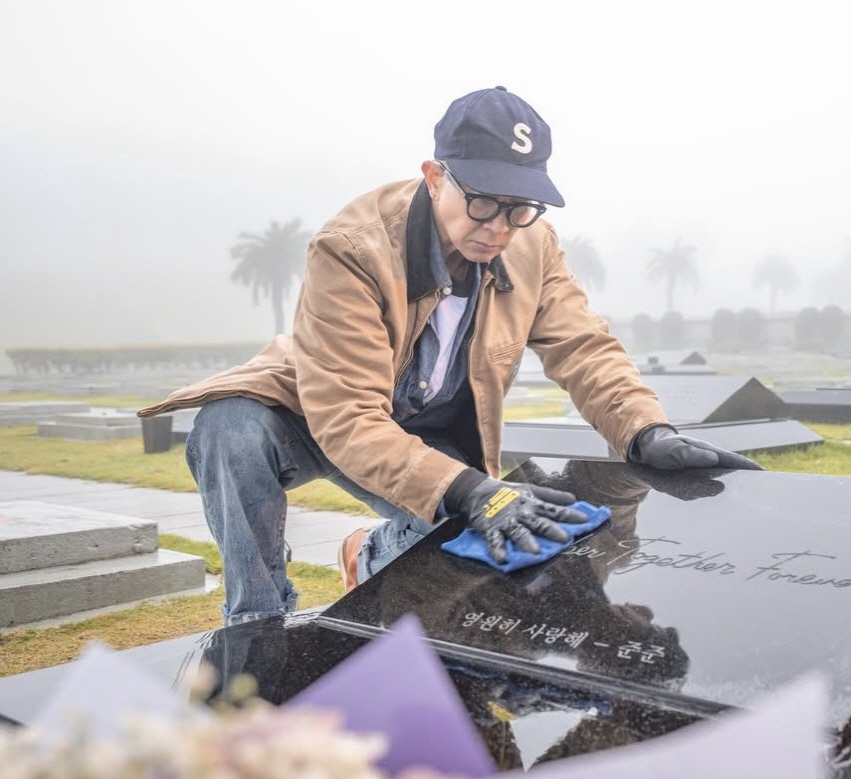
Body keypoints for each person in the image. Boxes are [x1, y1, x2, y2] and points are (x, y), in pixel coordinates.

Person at [138, 86, 761, 625]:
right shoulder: (351, 247)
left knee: (495, 531)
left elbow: (583, 344)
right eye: (483, 201)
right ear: (436, 177)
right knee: (229, 428)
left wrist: (645, 430)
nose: (499, 226)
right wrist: (467, 491)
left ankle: (368, 554)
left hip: (429, 433)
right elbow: (348, 417)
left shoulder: (532, 242)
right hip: (316, 412)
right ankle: (258, 620)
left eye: (520, 206)